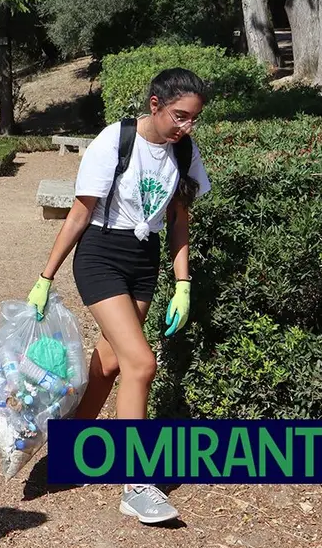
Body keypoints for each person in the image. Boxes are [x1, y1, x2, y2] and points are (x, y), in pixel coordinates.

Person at [28, 67, 212, 524]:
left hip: (143, 262)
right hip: (101, 255)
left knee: (111, 363)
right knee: (141, 363)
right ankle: (138, 484)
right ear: (155, 104)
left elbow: (179, 220)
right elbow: (78, 214)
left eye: (193, 119)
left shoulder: (184, 149)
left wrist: (183, 283)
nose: (186, 127)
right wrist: (46, 276)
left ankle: (71, 449)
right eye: (179, 116)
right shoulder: (115, 141)